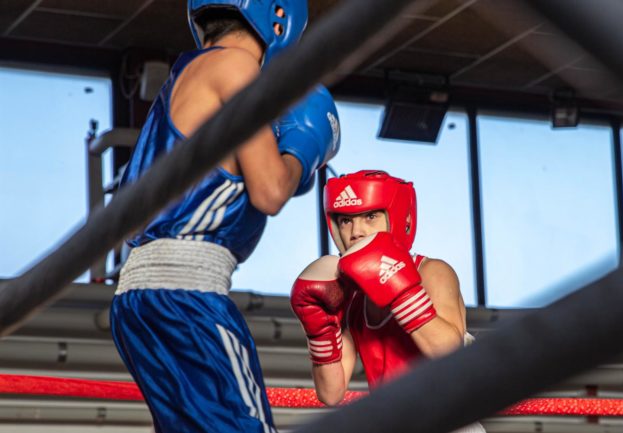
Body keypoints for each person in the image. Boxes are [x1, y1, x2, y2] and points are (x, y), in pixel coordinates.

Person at [110, 1, 340, 432]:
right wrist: (303, 148)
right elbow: (271, 191)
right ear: (281, 19)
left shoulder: (186, 76)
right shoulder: (237, 67)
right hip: (186, 298)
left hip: (139, 300)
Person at [290, 170, 485, 432]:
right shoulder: (351, 298)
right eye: (346, 220)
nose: (356, 231)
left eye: (370, 216)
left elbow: (448, 352)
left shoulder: (432, 272)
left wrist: (399, 291)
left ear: (400, 218)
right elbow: (331, 392)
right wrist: (318, 329)